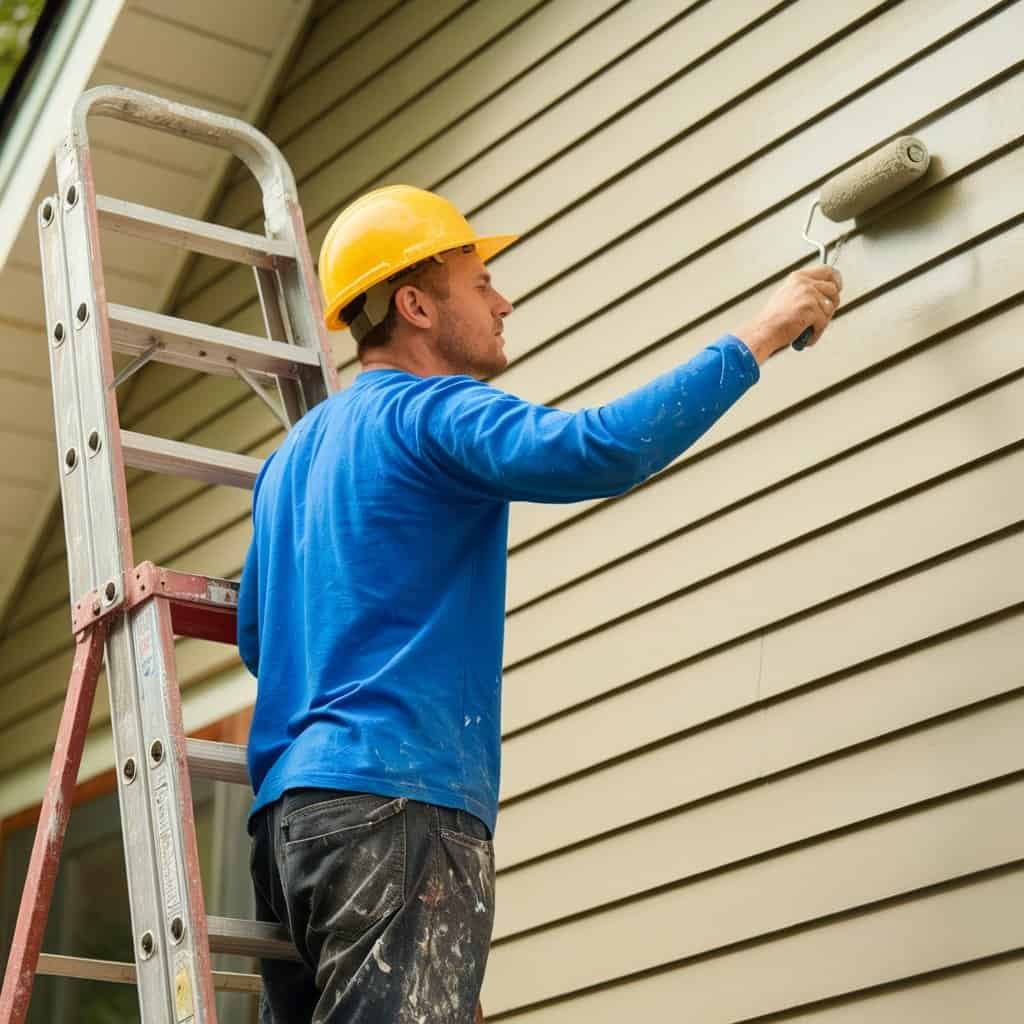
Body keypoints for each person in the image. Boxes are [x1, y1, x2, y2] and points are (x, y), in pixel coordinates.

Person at [237, 185, 842, 1023]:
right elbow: (600, 449)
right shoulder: (434, 412)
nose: (502, 299)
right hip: (398, 808)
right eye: (479, 281)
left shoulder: (288, 461)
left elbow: (259, 640)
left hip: (286, 832)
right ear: (415, 304)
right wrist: (763, 334)